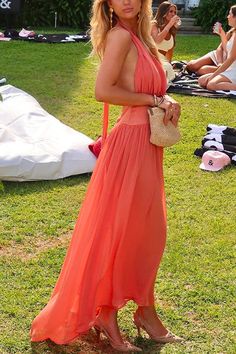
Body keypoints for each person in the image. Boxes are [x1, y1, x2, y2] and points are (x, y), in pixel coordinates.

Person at [30, 0, 182, 351]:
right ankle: (107, 314)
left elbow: (145, 89)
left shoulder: (141, 36)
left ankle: (145, 311)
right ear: (108, 4)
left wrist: (165, 99)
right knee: (123, 232)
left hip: (146, 144)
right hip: (130, 144)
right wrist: (154, 99)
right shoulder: (119, 36)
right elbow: (104, 91)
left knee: (149, 231)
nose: (126, 1)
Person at [198, 5, 236, 91]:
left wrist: (214, 75)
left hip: (234, 70)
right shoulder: (233, 32)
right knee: (201, 80)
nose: (227, 17)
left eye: (229, 14)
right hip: (231, 68)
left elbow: (231, 58)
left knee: (211, 85)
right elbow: (227, 50)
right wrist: (222, 34)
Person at [151, 1, 181, 82]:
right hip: (152, 56)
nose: (173, 14)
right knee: (165, 70)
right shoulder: (154, 24)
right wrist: (170, 24)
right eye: (170, 11)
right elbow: (157, 40)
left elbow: (170, 51)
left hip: (163, 60)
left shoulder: (171, 29)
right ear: (163, 12)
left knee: (167, 68)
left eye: (175, 12)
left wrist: (170, 63)